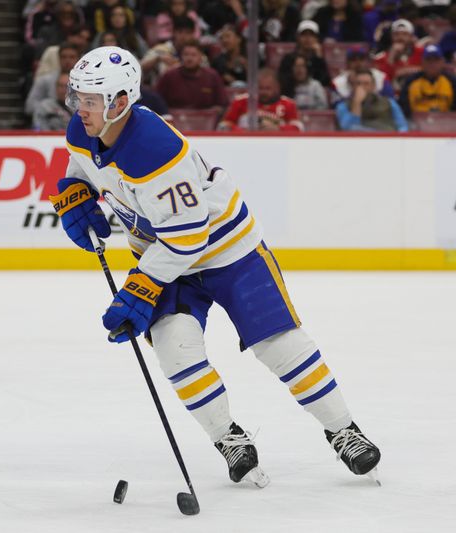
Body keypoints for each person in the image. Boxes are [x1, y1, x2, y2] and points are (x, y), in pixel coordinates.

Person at [49, 45, 381, 486]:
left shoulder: (155, 149)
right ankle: (229, 438)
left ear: (121, 102)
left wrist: (139, 289)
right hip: (164, 256)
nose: (78, 108)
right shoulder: (85, 128)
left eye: (89, 100)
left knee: (280, 345)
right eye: (77, 97)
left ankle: (344, 430)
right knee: (175, 350)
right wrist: (74, 188)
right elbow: (84, 162)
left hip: (230, 252)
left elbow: (188, 238)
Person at [218, 69, 304, 131]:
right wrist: (243, 131)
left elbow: (299, 128)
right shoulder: (240, 101)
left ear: (277, 88)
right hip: (245, 145)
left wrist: (278, 129)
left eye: (268, 88)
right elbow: (223, 126)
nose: (263, 92)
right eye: (260, 88)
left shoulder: (288, 104)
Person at [155, 41, 229, 112]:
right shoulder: (169, 76)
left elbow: (222, 104)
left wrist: (216, 111)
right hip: (176, 122)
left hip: (205, 122)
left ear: (201, 57)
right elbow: (156, 102)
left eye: (193, 55)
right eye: (186, 54)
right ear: (181, 56)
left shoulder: (212, 76)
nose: (189, 58)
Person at [335, 68, 409, 131]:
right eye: (358, 83)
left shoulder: (389, 102)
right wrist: (357, 103)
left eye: (366, 83)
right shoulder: (343, 106)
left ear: (373, 86)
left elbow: (403, 126)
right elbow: (348, 129)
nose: (362, 87)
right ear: (353, 86)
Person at [399, 44, 456, 116]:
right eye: (428, 60)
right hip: (416, 124)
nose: (432, 64)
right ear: (422, 62)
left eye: (436, 60)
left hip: (446, 123)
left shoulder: (452, 82)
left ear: (442, 62)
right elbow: (404, 110)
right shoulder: (410, 82)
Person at [278, 20, 332, 89]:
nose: (307, 38)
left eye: (311, 35)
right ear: (298, 37)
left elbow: (325, 83)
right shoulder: (289, 59)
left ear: (316, 39)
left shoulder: (318, 60)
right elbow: (283, 81)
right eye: (304, 34)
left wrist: (319, 58)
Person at [374, 18, 424, 91]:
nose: (400, 37)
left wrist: (407, 71)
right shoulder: (380, 58)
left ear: (411, 37)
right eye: (396, 34)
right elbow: (382, 82)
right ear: (391, 37)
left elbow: (432, 69)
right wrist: (391, 56)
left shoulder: (422, 52)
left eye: (405, 34)